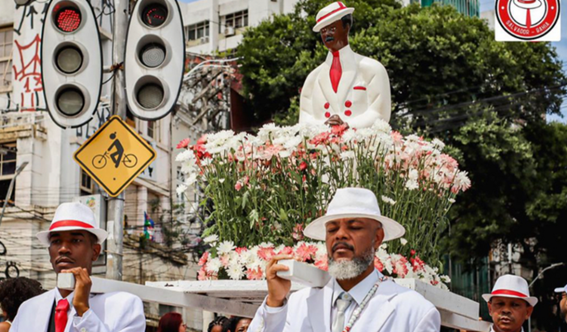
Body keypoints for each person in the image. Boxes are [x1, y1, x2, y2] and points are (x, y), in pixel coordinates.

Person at [248, 187, 440, 332]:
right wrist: (275, 301)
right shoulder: (297, 304)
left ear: (378, 238)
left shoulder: (415, 311)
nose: (340, 235)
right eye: (332, 229)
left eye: (354, 227)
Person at [10, 202, 146, 331]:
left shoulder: (124, 306)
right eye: (56, 241)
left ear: (95, 251)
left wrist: (84, 311)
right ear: (49, 252)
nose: (63, 249)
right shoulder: (28, 309)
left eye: (76, 240)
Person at [299, 2, 392, 129]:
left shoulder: (372, 69)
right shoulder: (313, 77)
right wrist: (323, 126)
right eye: (323, 31)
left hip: (361, 145)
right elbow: (305, 117)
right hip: (324, 146)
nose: (327, 34)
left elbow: (379, 113)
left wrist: (347, 125)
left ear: (346, 27)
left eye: (332, 29)